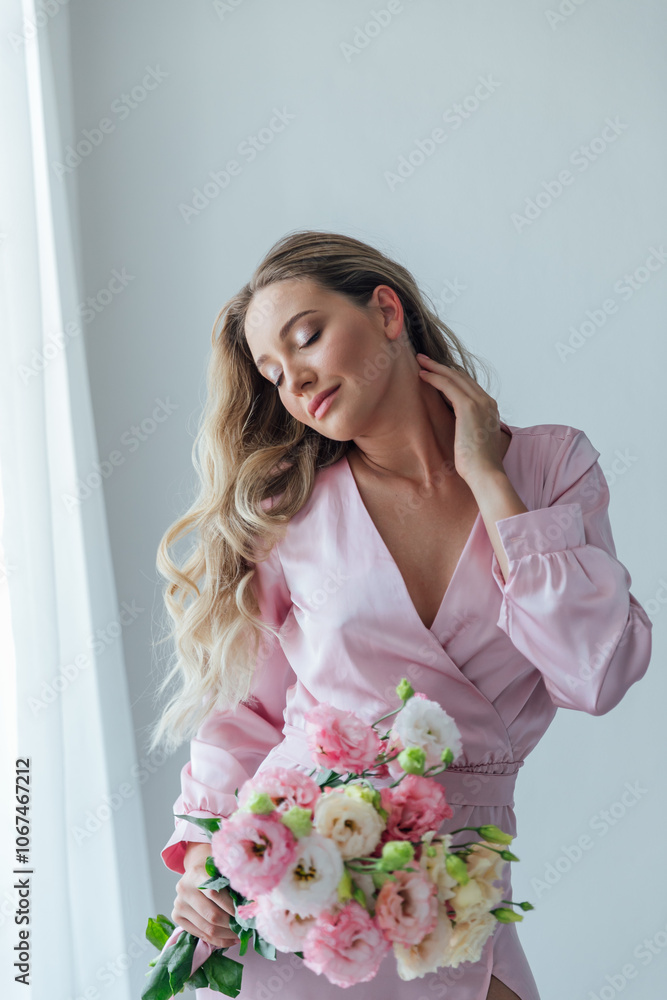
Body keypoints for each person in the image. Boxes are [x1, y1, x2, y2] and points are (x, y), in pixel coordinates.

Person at [149, 230, 653, 1000]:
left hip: (453, 892)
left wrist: (488, 480)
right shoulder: (289, 513)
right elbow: (247, 712)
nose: (295, 380)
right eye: (274, 374)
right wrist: (201, 858)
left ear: (386, 311)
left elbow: (595, 673)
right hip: (302, 882)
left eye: (306, 337)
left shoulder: (549, 468)